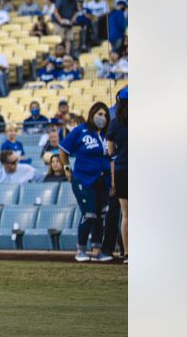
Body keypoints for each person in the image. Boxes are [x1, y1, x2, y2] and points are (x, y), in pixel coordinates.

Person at [61, 101, 114, 262]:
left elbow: (111, 157)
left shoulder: (107, 134)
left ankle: (97, 251)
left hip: (103, 179)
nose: (102, 118)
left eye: (105, 115)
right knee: (89, 214)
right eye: (99, 114)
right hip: (83, 179)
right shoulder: (80, 131)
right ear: (92, 115)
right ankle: (81, 250)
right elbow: (63, 150)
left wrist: (112, 180)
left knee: (101, 215)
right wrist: (67, 168)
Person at [104, 88, 128, 261]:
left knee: (126, 215)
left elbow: (110, 151)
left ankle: (127, 252)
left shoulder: (114, 123)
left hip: (121, 169)